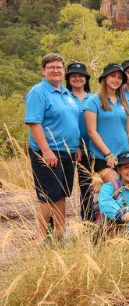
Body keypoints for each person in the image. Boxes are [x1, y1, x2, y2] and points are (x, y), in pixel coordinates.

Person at [25, 53, 80, 239]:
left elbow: (71, 121)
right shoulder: (38, 92)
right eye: (51, 67)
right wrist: (46, 150)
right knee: (48, 195)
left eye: (59, 67)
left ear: (63, 71)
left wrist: (78, 146)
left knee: (61, 193)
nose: (56, 70)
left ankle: (59, 234)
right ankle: (41, 238)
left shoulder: (66, 92)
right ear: (43, 70)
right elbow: (34, 123)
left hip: (69, 151)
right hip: (48, 151)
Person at [84, 63, 129, 182]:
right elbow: (91, 132)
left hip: (124, 156)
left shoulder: (124, 102)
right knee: (115, 187)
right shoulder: (93, 101)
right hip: (103, 156)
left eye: (119, 77)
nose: (116, 80)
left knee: (127, 191)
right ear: (105, 77)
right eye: (113, 75)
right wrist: (108, 154)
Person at [65, 61, 94, 221]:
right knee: (62, 187)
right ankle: (55, 227)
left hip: (90, 148)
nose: (77, 79)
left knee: (87, 186)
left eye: (81, 76)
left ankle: (88, 221)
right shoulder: (64, 97)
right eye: (73, 76)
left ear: (86, 79)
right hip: (68, 147)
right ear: (68, 79)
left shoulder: (94, 98)